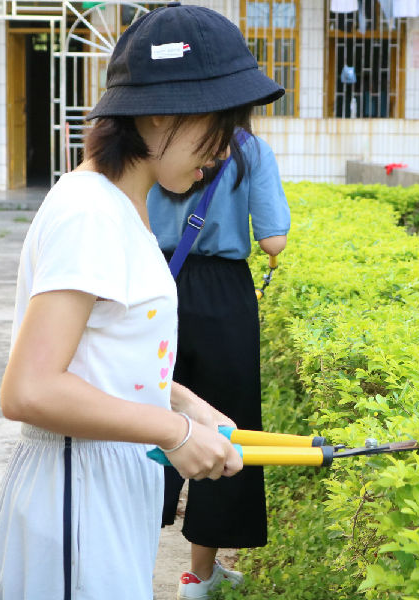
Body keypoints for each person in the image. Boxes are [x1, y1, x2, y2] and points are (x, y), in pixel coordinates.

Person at [0, 5, 284, 600]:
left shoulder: (123, 207)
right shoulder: (90, 214)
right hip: (76, 499)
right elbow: (30, 390)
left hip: (107, 487)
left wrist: (188, 404)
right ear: (159, 113)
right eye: (219, 127)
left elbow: (104, 357)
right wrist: (174, 431)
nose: (223, 152)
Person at [147, 130, 289, 600]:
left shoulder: (156, 139)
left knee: (148, 418)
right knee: (223, 428)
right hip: (225, 295)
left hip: (154, 282)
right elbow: (273, 240)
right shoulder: (250, 148)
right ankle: (197, 577)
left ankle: (130, 564)